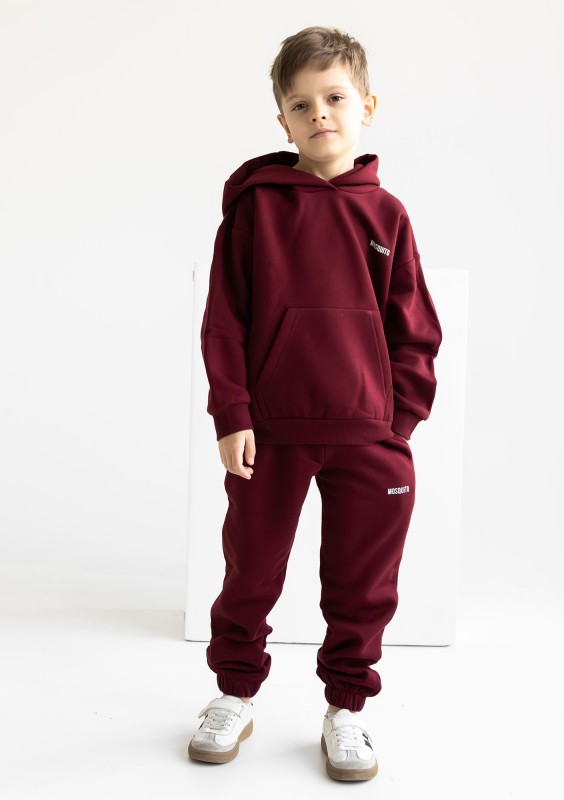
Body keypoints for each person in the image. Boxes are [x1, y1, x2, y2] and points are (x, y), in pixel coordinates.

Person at [188, 25, 443, 782]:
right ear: (283, 121)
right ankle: (234, 693)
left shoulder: (388, 215)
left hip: (370, 437)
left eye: (334, 97)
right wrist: (233, 413)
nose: (319, 113)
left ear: (367, 106)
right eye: (301, 104)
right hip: (270, 433)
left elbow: (415, 329)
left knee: (363, 582)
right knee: (250, 573)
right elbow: (224, 320)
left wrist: (397, 424)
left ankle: (347, 709)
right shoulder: (256, 210)